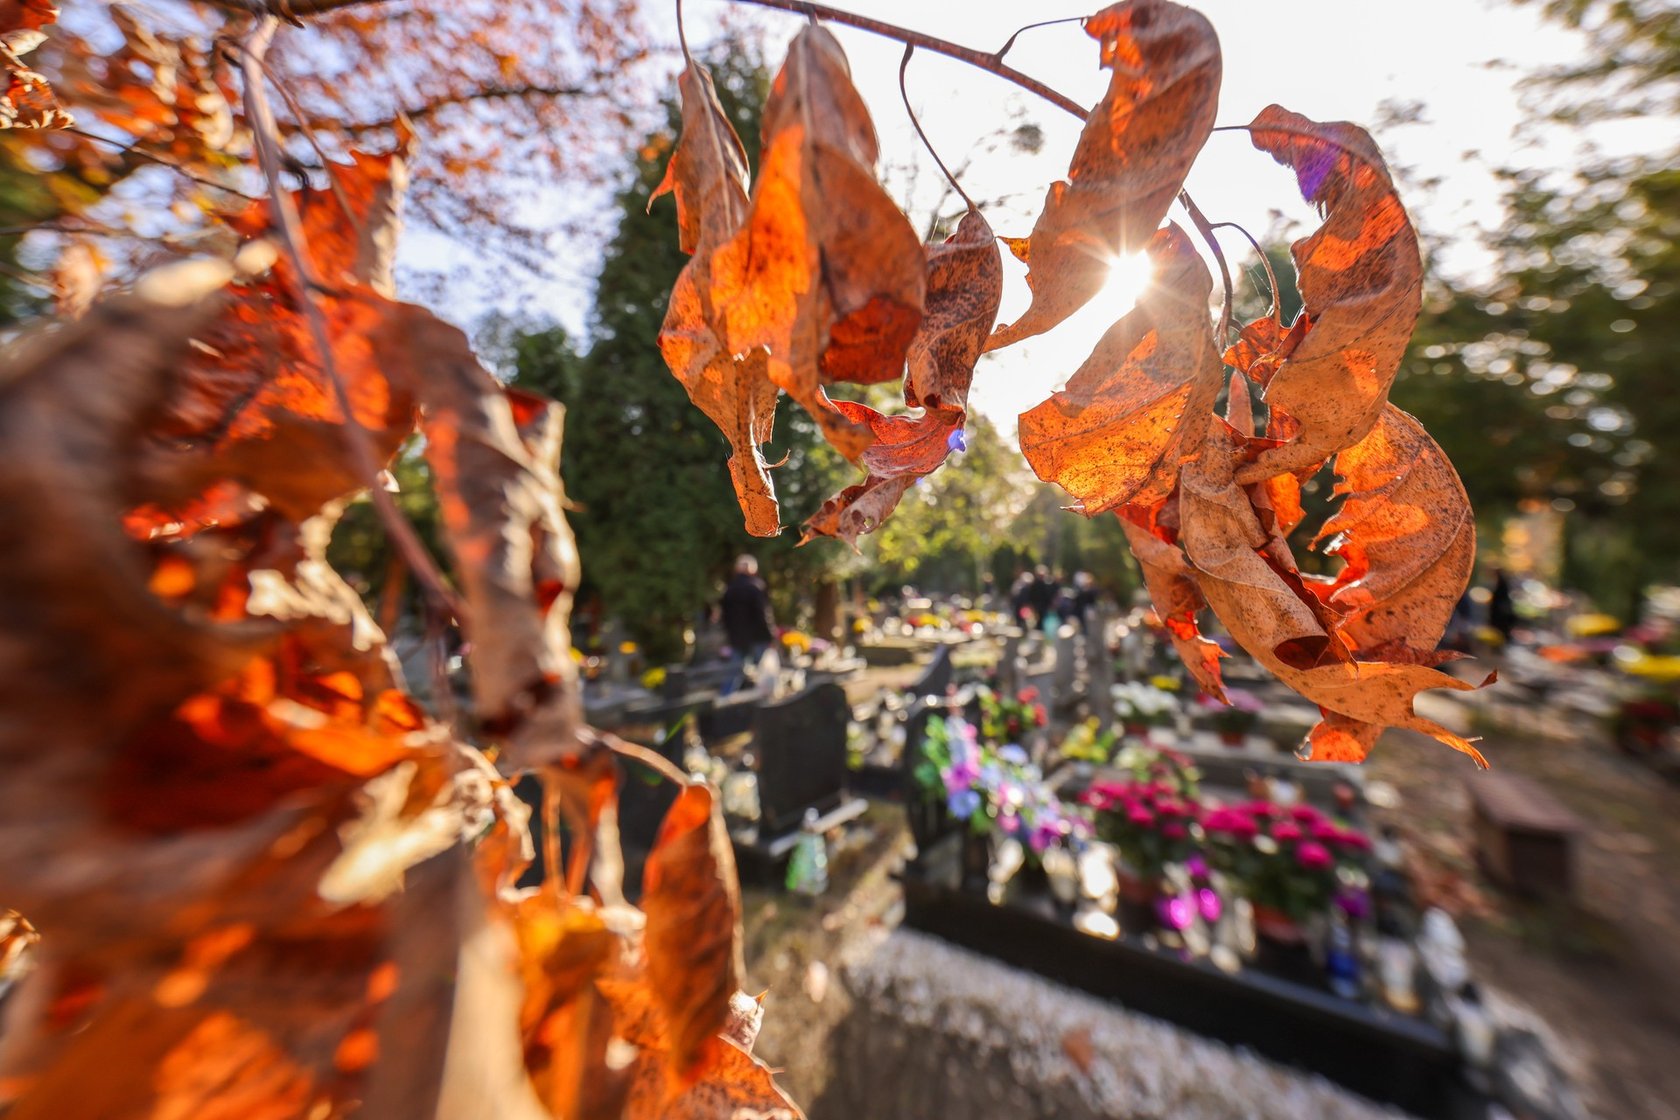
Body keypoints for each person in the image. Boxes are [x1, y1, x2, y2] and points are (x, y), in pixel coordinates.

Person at [721, 554, 776, 681]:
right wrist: (770, 635)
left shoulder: (730, 589)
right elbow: (763, 614)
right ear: (752, 569)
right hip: (758, 637)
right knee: (762, 673)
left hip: (737, 637)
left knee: (734, 673)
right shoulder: (756, 587)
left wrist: (729, 634)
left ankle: (728, 692)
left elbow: (725, 616)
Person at [1487, 567, 1516, 646]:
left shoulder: (1501, 584)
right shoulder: (1502, 583)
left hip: (1500, 612)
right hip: (1500, 611)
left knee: (1500, 629)